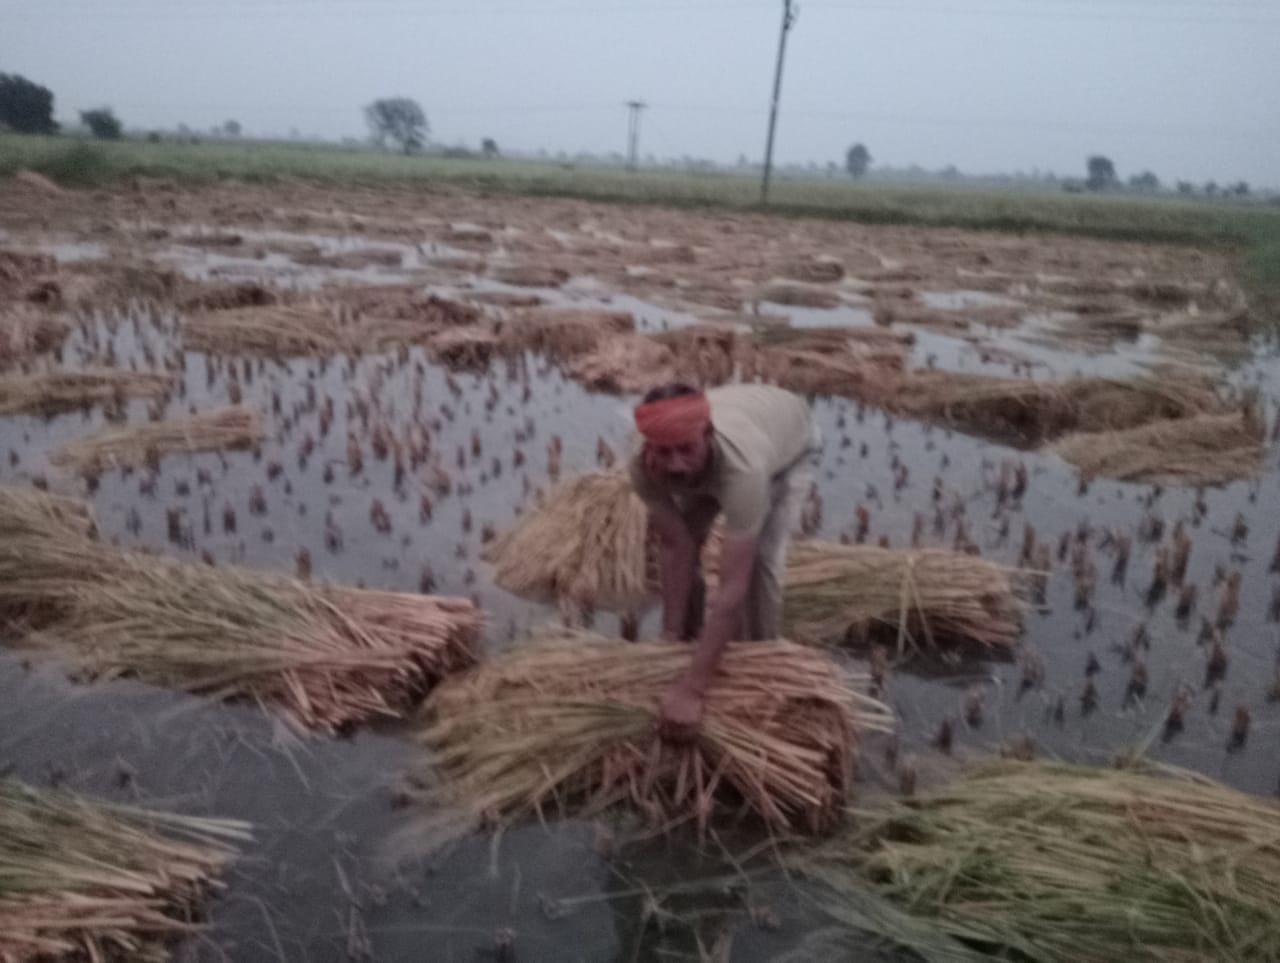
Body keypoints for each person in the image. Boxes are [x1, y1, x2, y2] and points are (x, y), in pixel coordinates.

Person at [629, 382, 821, 741]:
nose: (674, 466)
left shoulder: (744, 469)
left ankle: (761, 659)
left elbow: (733, 586)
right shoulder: (643, 466)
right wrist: (670, 637)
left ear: (708, 434)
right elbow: (675, 547)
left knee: (761, 560)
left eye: (685, 449)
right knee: (688, 532)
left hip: (789, 445)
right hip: (739, 427)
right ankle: (685, 639)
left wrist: (693, 690)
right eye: (663, 452)